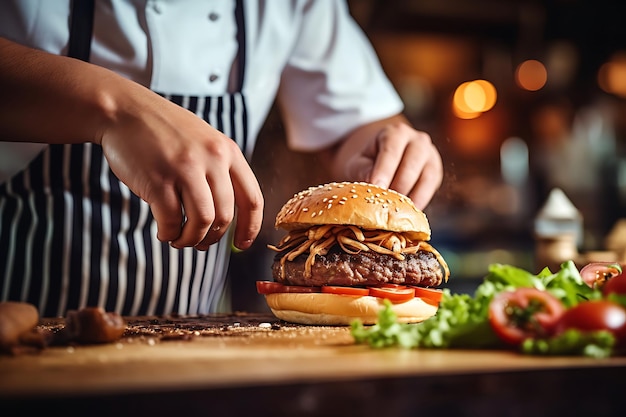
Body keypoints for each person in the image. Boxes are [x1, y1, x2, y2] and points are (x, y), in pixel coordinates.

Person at [0, 0, 443, 317]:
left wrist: (385, 144)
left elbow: (354, 125)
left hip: (193, 335)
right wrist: (115, 107)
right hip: (21, 328)